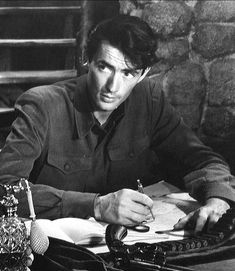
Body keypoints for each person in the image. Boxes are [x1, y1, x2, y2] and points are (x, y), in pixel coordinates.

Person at [0, 15, 234, 233]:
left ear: (143, 74)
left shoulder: (149, 100)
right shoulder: (42, 105)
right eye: (105, 67)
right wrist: (97, 206)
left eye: (128, 73)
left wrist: (218, 200)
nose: (113, 86)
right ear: (86, 60)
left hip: (130, 248)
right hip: (54, 250)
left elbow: (203, 159)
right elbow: (4, 189)